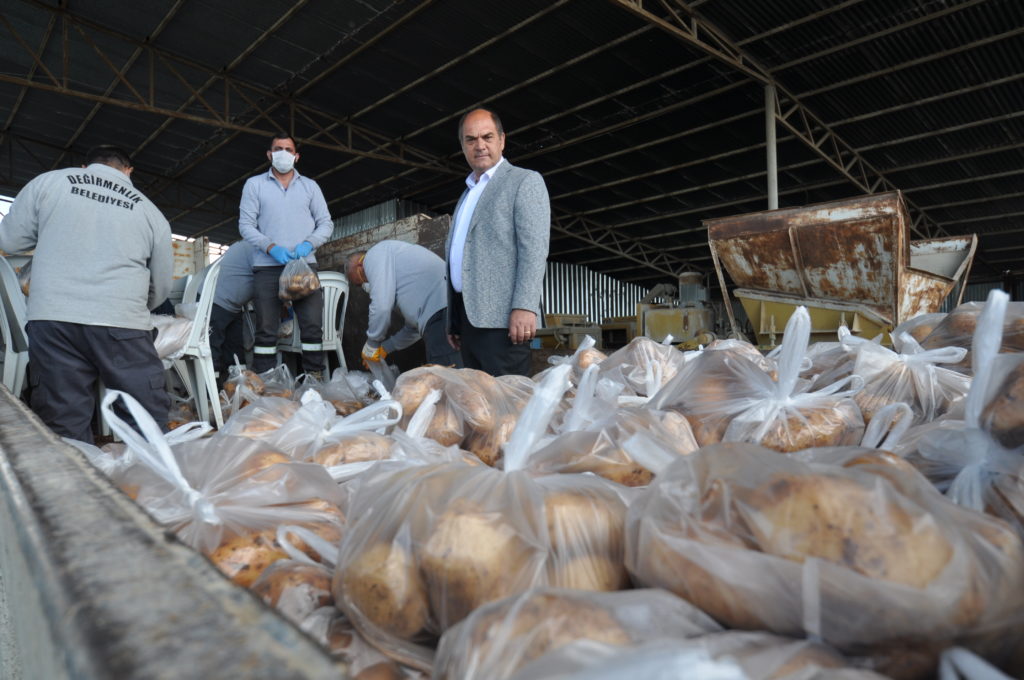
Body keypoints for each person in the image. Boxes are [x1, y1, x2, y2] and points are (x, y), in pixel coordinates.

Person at [0, 145, 173, 443]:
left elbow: (10, 242)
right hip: (123, 323)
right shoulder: (150, 210)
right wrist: (135, 307)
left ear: (85, 167)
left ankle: (78, 480)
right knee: (144, 417)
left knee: (62, 417)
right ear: (128, 171)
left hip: (53, 319)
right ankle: (148, 481)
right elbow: (161, 284)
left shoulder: (49, 182)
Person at [446, 107, 550, 377]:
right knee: (480, 407)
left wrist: (525, 306)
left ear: (502, 140)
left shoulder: (523, 181)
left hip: (503, 321)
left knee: (508, 407)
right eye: (470, 140)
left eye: (487, 137)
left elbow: (534, 250)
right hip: (469, 320)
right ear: (463, 146)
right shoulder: (467, 194)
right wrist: (454, 320)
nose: (479, 145)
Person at [239, 132, 333, 378]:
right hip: (267, 266)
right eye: (278, 149)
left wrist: (309, 243)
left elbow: (326, 223)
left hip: (304, 265)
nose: (283, 153)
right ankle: (266, 382)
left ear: (296, 156)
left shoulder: (310, 187)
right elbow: (246, 225)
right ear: (270, 155)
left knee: (312, 327)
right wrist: (270, 247)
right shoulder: (255, 185)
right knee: (266, 329)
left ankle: (314, 378)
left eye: (288, 149)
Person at [345, 240, 462, 369]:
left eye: (362, 280)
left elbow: (382, 306)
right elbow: (414, 328)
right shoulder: (404, 280)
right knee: (465, 376)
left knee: (450, 377)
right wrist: (385, 348)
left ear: (360, 265)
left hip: (443, 315)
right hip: (447, 313)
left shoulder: (374, 255)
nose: (364, 285)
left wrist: (372, 344)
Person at [209, 240, 256, 384]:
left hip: (234, 307)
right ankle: (213, 392)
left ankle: (238, 388)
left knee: (235, 349)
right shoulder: (254, 247)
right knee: (213, 348)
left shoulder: (248, 245)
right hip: (215, 301)